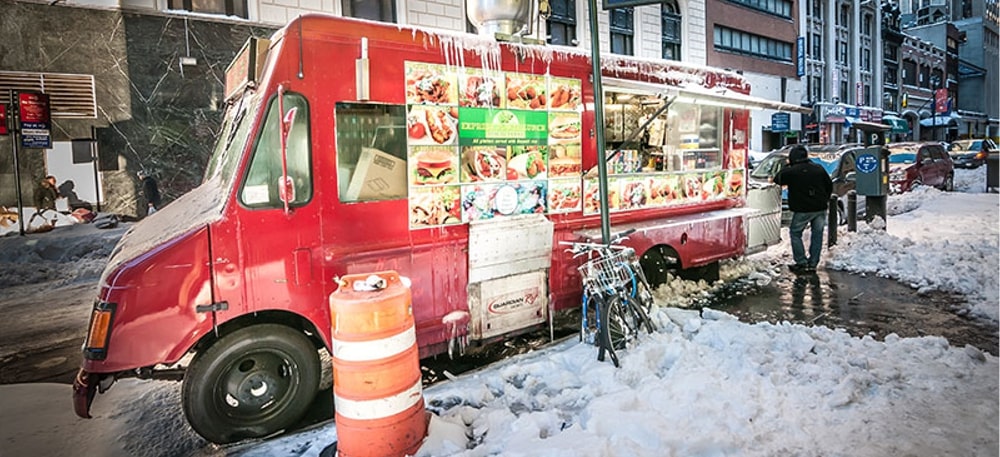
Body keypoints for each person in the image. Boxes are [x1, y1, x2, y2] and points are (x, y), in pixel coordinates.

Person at [773, 145, 833, 273]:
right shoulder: (818, 168)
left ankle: (801, 261)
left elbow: (777, 179)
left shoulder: (792, 171)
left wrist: (787, 166)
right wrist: (824, 199)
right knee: (817, 235)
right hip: (820, 208)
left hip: (803, 209)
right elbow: (829, 185)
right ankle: (813, 263)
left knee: (795, 233)